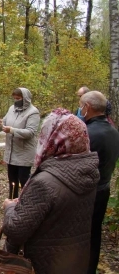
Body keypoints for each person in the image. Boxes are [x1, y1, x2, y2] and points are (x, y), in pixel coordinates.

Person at [3, 108, 100, 274]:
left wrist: (9, 208)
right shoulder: (89, 173)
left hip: (43, 263)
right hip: (76, 261)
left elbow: (16, 230)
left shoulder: (45, 182)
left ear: (53, 138)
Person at [78, 91, 119, 274]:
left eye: (81, 105)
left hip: (85, 193)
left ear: (87, 107)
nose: (80, 109)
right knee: (95, 233)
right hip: (104, 189)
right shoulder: (114, 131)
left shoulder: (86, 133)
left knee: (80, 234)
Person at [0, 87, 40, 199]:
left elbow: (30, 132)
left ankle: (26, 203)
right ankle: (12, 201)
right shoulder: (12, 109)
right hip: (11, 151)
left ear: (25, 99)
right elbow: (4, 123)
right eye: (14, 98)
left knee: (24, 180)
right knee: (12, 179)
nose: (16, 100)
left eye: (18, 98)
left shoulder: (33, 112)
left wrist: (12, 130)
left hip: (24, 152)